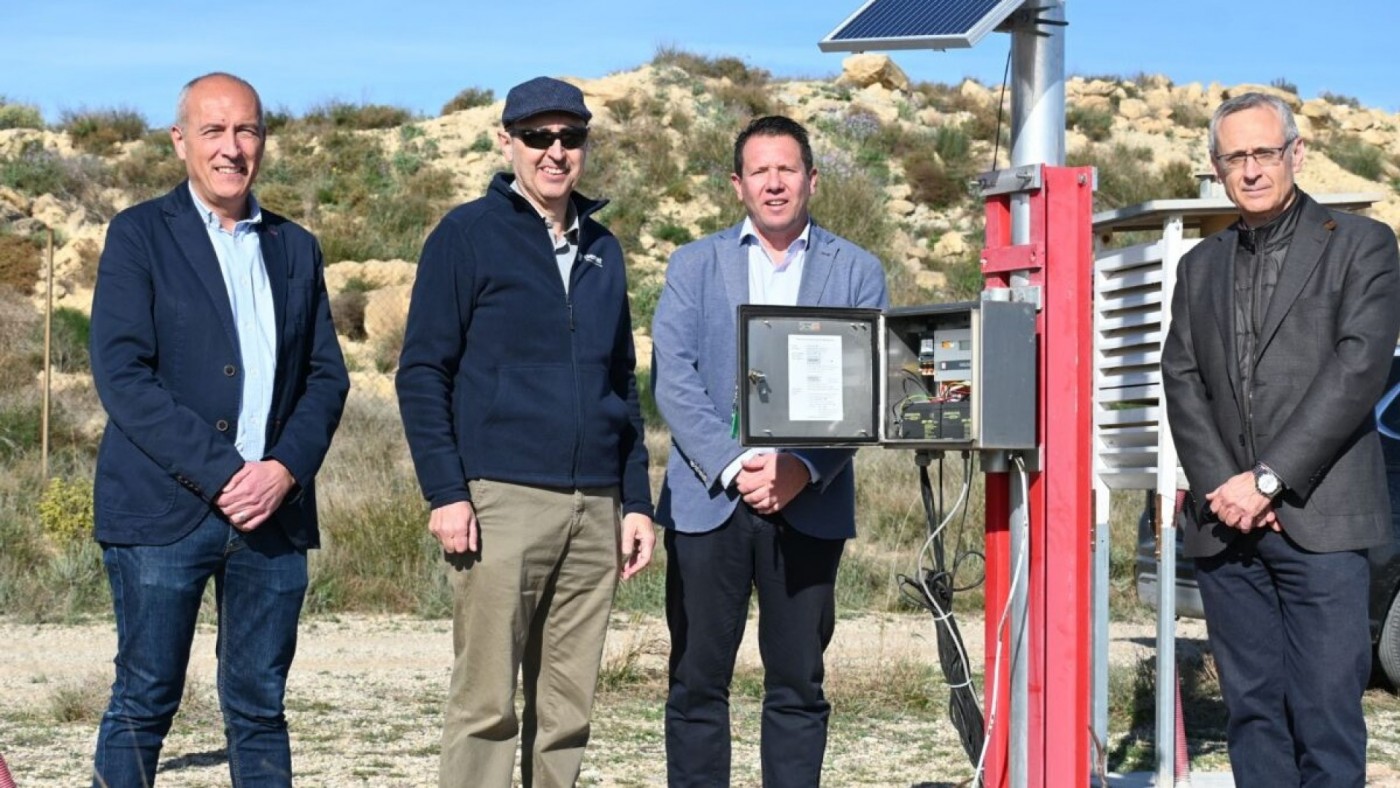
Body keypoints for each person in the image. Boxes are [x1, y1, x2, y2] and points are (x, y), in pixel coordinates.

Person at [88, 72, 350, 787]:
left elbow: (327, 376)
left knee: (261, 707)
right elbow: (123, 375)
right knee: (144, 702)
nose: (232, 148)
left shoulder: (297, 248)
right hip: (162, 514)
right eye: (213, 131)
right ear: (180, 142)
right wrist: (227, 473)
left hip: (274, 516)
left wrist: (283, 470)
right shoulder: (140, 234)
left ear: (263, 140)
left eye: (247, 131)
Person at [396, 76, 655, 788]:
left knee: (568, 708)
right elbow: (422, 372)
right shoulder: (465, 235)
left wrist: (636, 502)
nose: (555, 152)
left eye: (570, 138)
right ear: (506, 141)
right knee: (485, 704)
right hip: (500, 501)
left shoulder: (605, 248)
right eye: (538, 137)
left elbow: (621, 385)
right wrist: (447, 491)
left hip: (595, 506)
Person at [1163, 92, 1400, 786]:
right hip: (1226, 531)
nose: (1253, 169)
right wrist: (1226, 488)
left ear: (1295, 153)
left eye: (1265, 152)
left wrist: (1267, 480)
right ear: (1217, 167)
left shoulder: (1362, 245)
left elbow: (1358, 370)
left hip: (1320, 524)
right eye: (1236, 157)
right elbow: (1181, 380)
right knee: (1254, 716)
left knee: (1325, 719)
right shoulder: (1199, 267)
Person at [651, 115, 890, 786]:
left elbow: (868, 391)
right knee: (697, 684)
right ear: (738, 185)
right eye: (760, 170)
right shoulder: (693, 265)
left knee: (797, 687)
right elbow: (672, 377)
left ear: (812, 179)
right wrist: (734, 463)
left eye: (787, 169)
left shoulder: (858, 271)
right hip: (709, 501)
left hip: (808, 504)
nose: (774, 182)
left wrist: (801, 466)